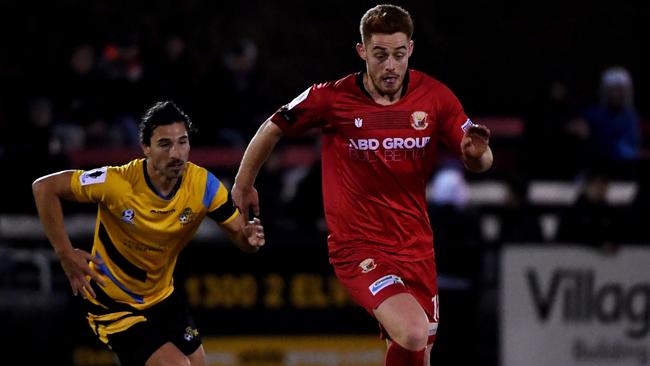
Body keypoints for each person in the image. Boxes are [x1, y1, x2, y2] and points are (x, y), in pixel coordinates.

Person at [232, 4, 492, 365]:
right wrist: (243, 184)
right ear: (363, 51)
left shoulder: (435, 97)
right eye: (380, 55)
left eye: (398, 55)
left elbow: (478, 157)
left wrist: (477, 154)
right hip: (359, 249)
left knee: (418, 350)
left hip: (417, 248)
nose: (390, 65)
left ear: (410, 51)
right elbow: (273, 126)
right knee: (414, 331)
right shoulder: (332, 98)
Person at [32, 101, 265, 366]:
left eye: (182, 142)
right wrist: (64, 253)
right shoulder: (116, 183)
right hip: (113, 305)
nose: (176, 154)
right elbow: (43, 188)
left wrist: (250, 240)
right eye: (165, 144)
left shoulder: (203, 186)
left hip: (162, 298)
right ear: (146, 148)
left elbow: (242, 237)